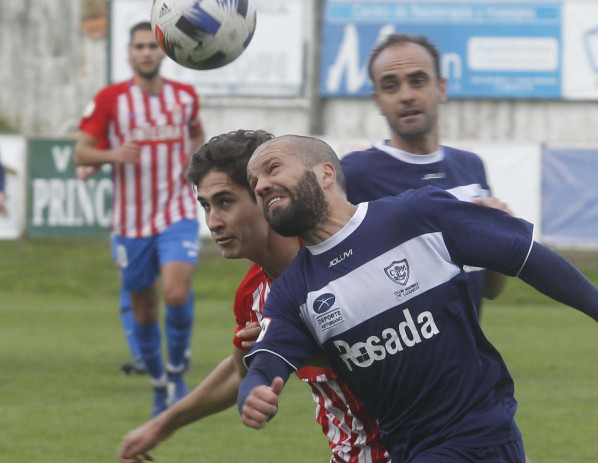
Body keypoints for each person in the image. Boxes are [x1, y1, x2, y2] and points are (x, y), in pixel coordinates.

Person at [238, 135, 598, 463]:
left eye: (273, 168)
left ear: (326, 173)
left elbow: (525, 258)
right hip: (409, 449)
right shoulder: (294, 291)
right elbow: (267, 364)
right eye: (254, 182)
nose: (261, 186)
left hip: (479, 431)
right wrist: (254, 391)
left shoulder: (418, 215)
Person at [118, 130, 389, 463]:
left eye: (225, 202)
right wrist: (162, 426)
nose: (213, 222)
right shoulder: (252, 295)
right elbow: (240, 370)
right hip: (353, 453)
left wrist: (296, 347)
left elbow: (402, 349)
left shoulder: (341, 255)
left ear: (266, 197)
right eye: (206, 206)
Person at [74, 21, 204, 416]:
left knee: (176, 293)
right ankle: (159, 384)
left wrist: (195, 162)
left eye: (152, 46)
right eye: (139, 47)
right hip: (130, 223)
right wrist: (113, 155)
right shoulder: (111, 99)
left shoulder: (185, 97)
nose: (146, 52)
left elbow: (198, 136)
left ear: (162, 51)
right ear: (129, 54)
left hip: (177, 212)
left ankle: (178, 371)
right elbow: (81, 153)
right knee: (144, 310)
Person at [340, 33, 508, 311]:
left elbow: (490, 289)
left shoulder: (471, 166)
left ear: (441, 88)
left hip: (473, 355)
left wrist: (500, 236)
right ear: (378, 100)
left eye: (418, 81)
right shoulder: (355, 174)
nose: (406, 96)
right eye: (391, 86)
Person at [77, 165, 146, 375]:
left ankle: (174, 354)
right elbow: (84, 166)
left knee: (175, 285)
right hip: (126, 220)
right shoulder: (119, 138)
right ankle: (142, 356)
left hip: (162, 219)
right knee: (129, 280)